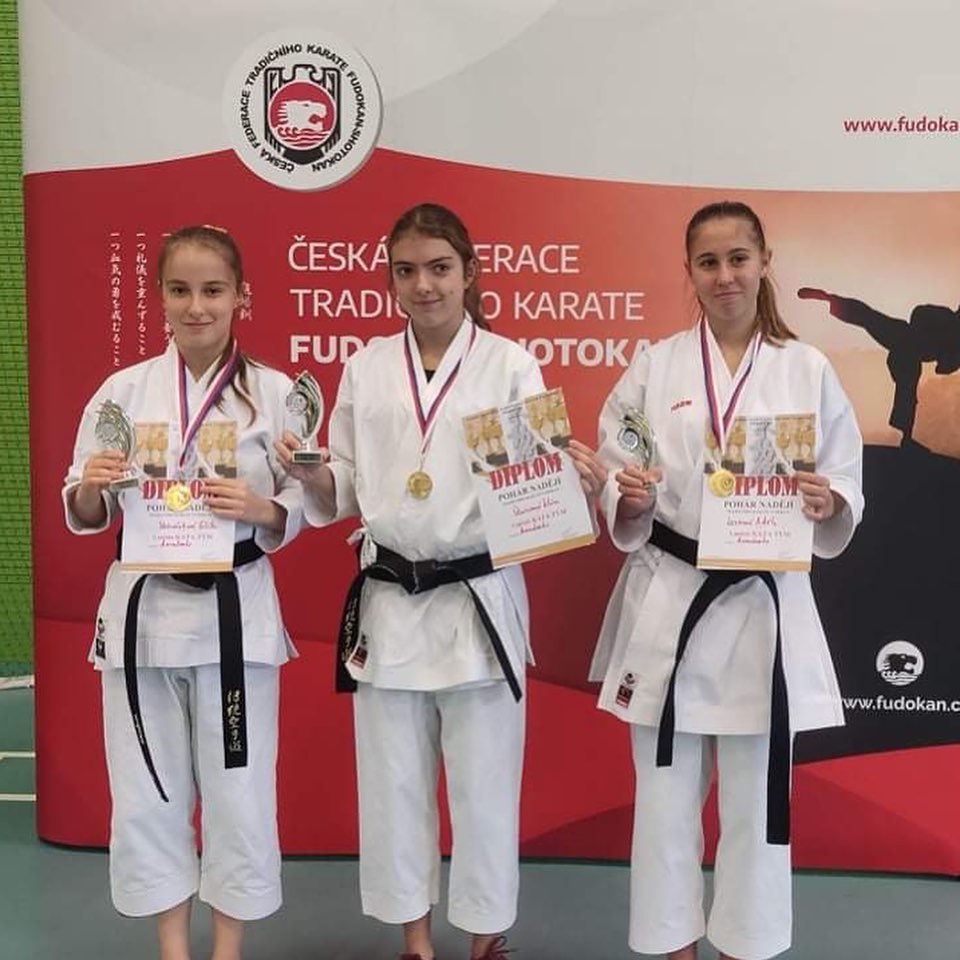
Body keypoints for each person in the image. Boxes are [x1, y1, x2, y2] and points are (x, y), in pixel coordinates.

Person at [276, 202, 603, 960]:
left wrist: (569, 484)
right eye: (407, 271)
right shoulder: (366, 367)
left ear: (470, 273)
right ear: (391, 279)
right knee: (393, 784)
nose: (423, 285)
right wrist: (313, 475)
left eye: (439, 268)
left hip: (476, 598)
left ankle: (486, 940)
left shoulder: (511, 366)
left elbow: (532, 488)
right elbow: (343, 489)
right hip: (390, 600)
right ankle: (415, 941)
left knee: (485, 784)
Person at [590, 201, 864, 960]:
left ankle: (748, 947)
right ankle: (674, 949)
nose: (725, 276)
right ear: (689, 271)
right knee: (664, 800)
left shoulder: (806, 368)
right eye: (708, 262)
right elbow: (616, 463)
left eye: (738, 258)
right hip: (673, 595)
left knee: (756, 804)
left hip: (762, 607)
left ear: (765, 262)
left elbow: (844, 473)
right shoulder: (656, 366)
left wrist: (830, 499)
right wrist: (625, 495)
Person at [63, 225, 304, 960]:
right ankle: (174, 949)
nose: (196, 306)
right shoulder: (122, 393)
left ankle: (227, 950)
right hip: (143, 612)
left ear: (241, 297)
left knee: (238, 790)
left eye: (213, 290)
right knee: (148, 789)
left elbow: (305, 499)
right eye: (180, 290)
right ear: (160, 298)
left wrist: (264, 508)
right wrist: (92, 487)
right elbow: (84, 508)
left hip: (236, 614)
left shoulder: (274, 395)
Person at [797, 285, 960, 447]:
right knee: (869, 318)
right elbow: (919, 313)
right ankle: (829, 298)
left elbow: (944, 366)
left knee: (869, 319)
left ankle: (906, 437)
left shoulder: (952, 333)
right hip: (905, 340)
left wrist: (943, 353)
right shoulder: (947, 319)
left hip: (906, 347)